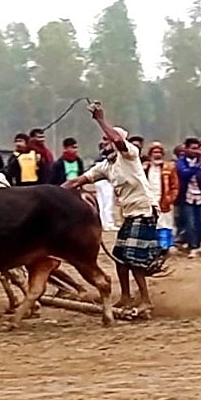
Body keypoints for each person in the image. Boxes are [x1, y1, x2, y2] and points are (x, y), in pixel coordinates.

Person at [63, 102, 162, 312]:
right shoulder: (105, 165)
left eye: (107, 139)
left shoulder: (129, 154)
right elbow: (76, 181)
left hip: (144, 210)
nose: (104, 142)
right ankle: (126, 297)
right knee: (119, 256)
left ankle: (146, 300)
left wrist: (100, 119)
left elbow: (118, 139)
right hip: (129, 213)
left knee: (132, 258)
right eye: (103, 140)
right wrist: (48, 193)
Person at [175, 137, 201, 256]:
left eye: (197, 148)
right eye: (193, 148)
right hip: (186, 197)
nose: (196, 151)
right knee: (190, 224)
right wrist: (197, 166)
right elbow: (184, 174)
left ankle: (197, 245)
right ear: (186, 149)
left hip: (200, 196)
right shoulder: (181, 162)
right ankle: (193, 246)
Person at [144, 142, 179, 254]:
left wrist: (170, 198)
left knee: (165, 224)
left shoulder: (169, 168)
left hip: (164, 201)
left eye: (159, 152)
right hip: (148, 202)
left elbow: (175, 186)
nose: (157, 155)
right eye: (154, 152)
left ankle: (165, 247)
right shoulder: (145, 168)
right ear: (150, 154)